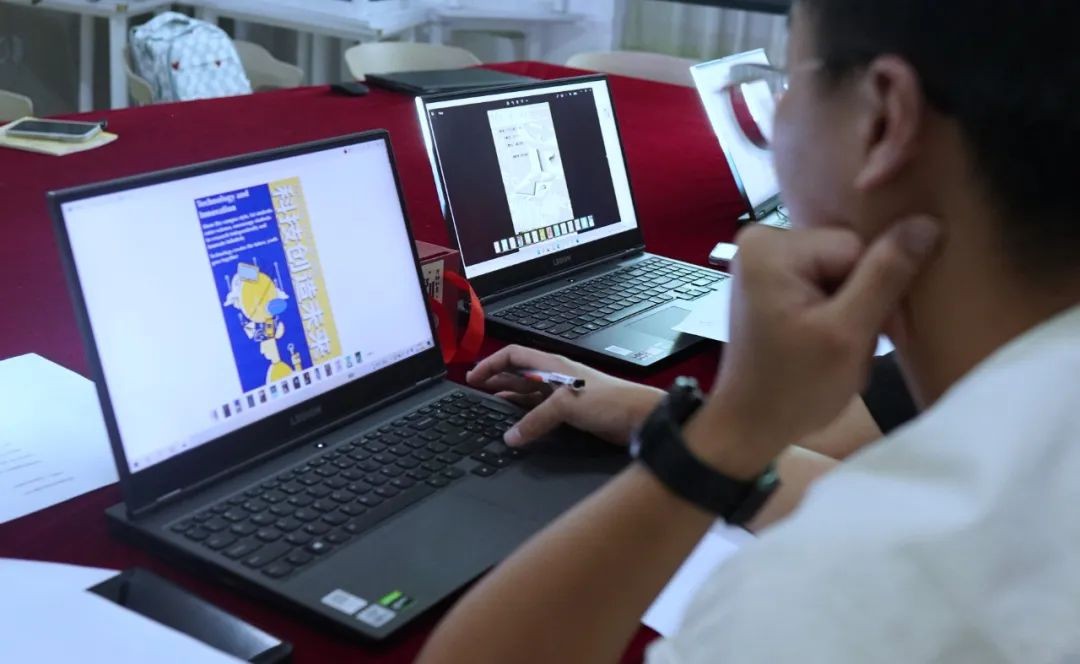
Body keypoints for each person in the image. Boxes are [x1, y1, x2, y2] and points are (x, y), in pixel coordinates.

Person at [419, 0, 1080, 661]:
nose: (778, 113)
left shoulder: (846, 603)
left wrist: (713, 443)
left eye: (786, 83)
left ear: (882, 121)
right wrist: (669, 417)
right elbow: (873, 471)